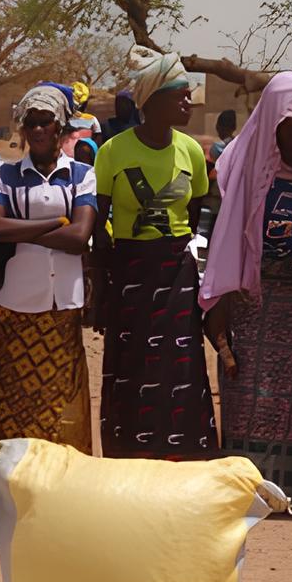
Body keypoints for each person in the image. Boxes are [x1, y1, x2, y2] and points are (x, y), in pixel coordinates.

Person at [201, 70, 292, 504]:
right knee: (251, 397)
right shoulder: (240, 166)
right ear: (272, 124)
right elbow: (224, 242)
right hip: (253, 302)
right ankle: (249, 489)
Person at [92, 51, 218, 460]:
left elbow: (194, 215)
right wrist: (102, 289)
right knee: (133, 366)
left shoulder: (191, 152)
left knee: (179, 364)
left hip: (176, 273)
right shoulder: (113, 151)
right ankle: (130, 456)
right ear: (153, 101)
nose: (188, 103)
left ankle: (183, 455)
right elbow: (99, 222)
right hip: (130, 271)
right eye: (180, 96)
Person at [0, 83, 102, 452]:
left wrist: (22, 229)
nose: (36, 129)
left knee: (61, 403)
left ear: (60, 126)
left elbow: (80, 237)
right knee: (11, 402)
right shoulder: (4, 174)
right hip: (15, 303)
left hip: (63, 304)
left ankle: (61, 480)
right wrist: (55, 224)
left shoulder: (81, 174)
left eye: (44, 121)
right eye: (30, 122)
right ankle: (10, 480)